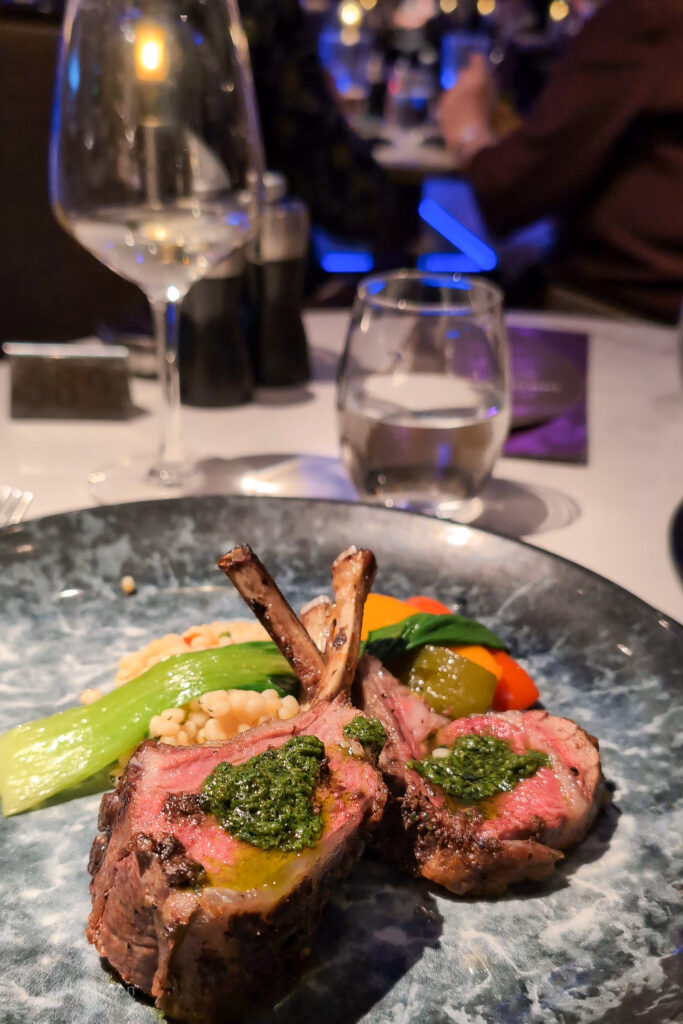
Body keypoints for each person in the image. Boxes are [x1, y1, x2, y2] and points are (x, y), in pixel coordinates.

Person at [437, 0, 683, 324]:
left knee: (443, 318)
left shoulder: (646, 16)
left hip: (620, 311)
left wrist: (468, 131)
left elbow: (509, 190)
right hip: (648, 307)